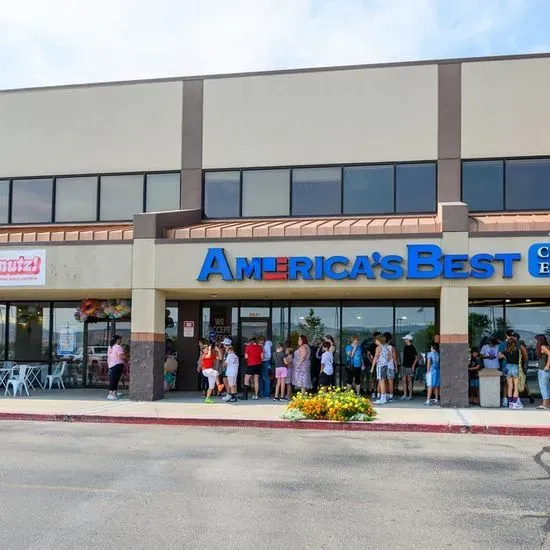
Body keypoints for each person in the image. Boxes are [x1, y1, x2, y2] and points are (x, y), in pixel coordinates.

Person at [498, 336, 522, 409]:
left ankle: (510, 404)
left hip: (507, 367)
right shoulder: (518, 351)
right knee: (516, 387)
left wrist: (504, 357)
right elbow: (521, 359)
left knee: (510, 386)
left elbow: (499, 356)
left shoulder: (505, 351)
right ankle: (515, 403)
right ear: (515, 343)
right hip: (515, 367)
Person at [371, 334, 392, 405]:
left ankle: (382, 398)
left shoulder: (378, 347)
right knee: (383, 381)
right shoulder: (386, 347)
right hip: (385, 366)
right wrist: (387, 361)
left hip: (380, 366)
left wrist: (372, 367)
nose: (375, 341)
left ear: (378, 340)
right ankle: (384, 397)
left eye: (376, 340)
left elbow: (375, 357)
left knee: (381, 382)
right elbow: (390, 355)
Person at [107, 334, 125, 400]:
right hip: (118, 364)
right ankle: (110, 393)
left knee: (113, 379)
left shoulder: (110, 346)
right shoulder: (118, 347)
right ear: (117, 340)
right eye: (120, 339)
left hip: (111, 365)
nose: (121, 340)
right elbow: (121, 356)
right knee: (115, 379)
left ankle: (114, 392)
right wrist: (126, 357)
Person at [534, 334, 550, 410]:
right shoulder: (546, 346)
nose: (535, 341)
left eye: (536, 340)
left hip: (543, 370)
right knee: (546, 387)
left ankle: (544, 404)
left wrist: (547, 365)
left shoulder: (543, 346)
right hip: (544, 370)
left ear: (539, 340)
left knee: (543, 387)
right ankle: (547, 403)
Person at [400, 335, 418, 400]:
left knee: (409, 380)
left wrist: (413, 365)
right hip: (404, 366)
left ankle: (410, 395)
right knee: (404, 380)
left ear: (408, 340)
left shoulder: (412, 348)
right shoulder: (405, 347)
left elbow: (416, 358)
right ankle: (405, 394)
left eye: (405, 339)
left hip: (410, 366)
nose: (404, 340)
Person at [384, 332, 398, 402]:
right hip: (390, 366)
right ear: (389, 339)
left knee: (384, 381)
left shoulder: (380, 347)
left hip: (383, 366)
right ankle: (391, 396)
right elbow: (395, 358)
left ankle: (385, 395)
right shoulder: (391, 348)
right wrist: (396, 367)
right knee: (390, 382)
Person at [366, 332, 381, 399]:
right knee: (373, 378)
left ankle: (378, 392)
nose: (379, 338)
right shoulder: (372, 345)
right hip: (374, 365)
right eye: (378, 336)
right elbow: (368, 354)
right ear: (374, 337)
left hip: (380, 364)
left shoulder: (381, 345)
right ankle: (373, 392)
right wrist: (372, 361)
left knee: (380, 379)